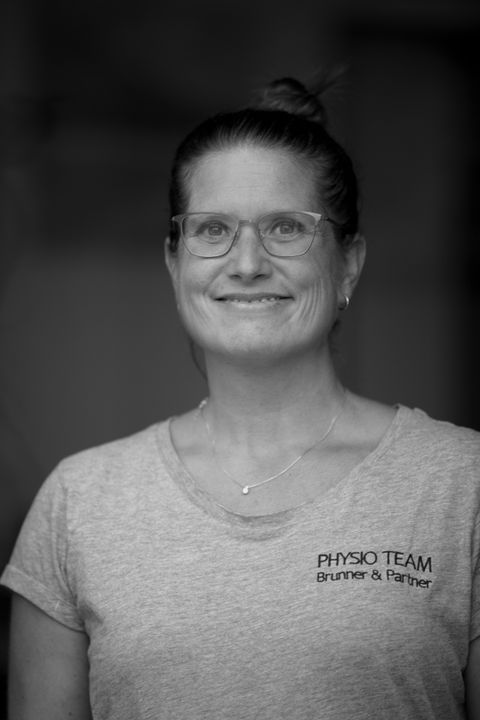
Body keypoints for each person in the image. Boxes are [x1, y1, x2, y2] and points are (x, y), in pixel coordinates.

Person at [1, 75, 479, 720]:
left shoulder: (461, 485)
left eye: (286, 227)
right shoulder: (78, 502)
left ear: (349, 263)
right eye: (211, 229)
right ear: (175, 263)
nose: (247, 263)